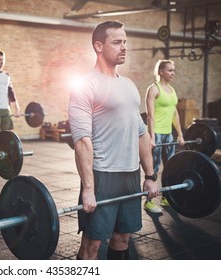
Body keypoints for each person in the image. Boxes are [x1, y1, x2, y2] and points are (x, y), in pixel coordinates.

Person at [68, 20, 158, 260]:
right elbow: (82, 141)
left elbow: (141, 132)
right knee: (93, 244)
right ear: (99, 46)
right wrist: (88, 188)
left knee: (122, 238)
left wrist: (149, 176)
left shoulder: (128, 85)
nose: (124, 47)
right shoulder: (85, 85)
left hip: (130, 174)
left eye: (125, 41)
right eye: (117, 42)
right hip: (103, 175)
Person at [143, 59, 185, 213]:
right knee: (153, 168)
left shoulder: (172, 90)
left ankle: (166, 197)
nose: (173, 73)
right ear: (161, 71)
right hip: (157, 133)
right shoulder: (154, 89)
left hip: (168, 134)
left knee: (171, 166)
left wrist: (180, 134)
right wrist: (152, 137)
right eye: (170, 70)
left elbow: (175, 114)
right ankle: (148, 201)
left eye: (173, 70)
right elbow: (150, 115)